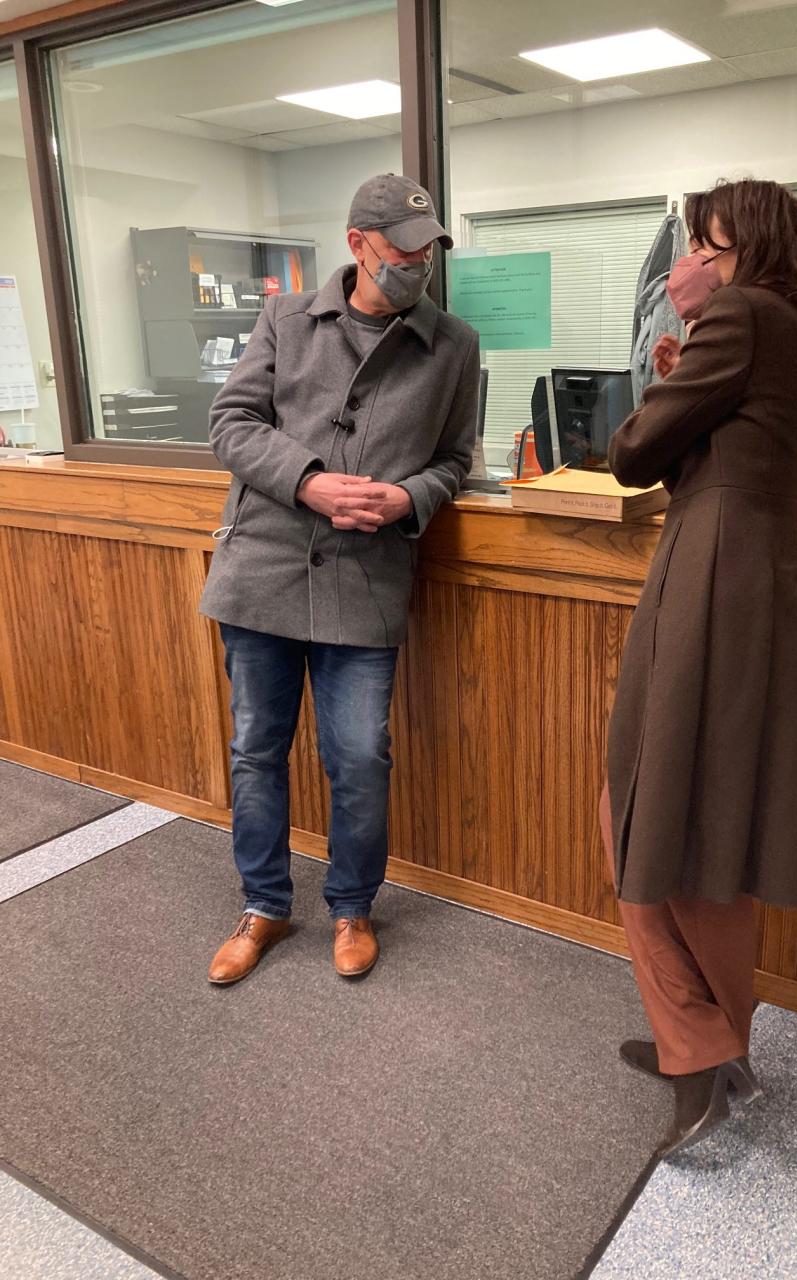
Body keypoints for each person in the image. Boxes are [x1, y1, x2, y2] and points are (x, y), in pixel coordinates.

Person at [600, 178, 797, 1161]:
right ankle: (714, 1042)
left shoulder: (739, 314)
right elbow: (717, 456)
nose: (692, 261)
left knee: (643, 807)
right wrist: (685, 371)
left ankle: (697, 1055)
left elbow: (630, 454)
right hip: (762, 578)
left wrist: (683, 346)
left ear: (748, 248)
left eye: (709, 244)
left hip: (706, 580)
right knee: (717, 817)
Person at [200, 174, 480, 984]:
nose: (417, 265)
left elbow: (457, 459)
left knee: (360, 755)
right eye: (402, 250)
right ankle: (264, 905)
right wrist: (309, 480)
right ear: (357, 244)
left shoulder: (454, 345)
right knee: (256, 747)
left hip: (366, 578)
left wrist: (409, 496)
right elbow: (231, 422)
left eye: (428, 251)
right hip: (264, 569)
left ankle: (353, 906)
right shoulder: (286, 319)